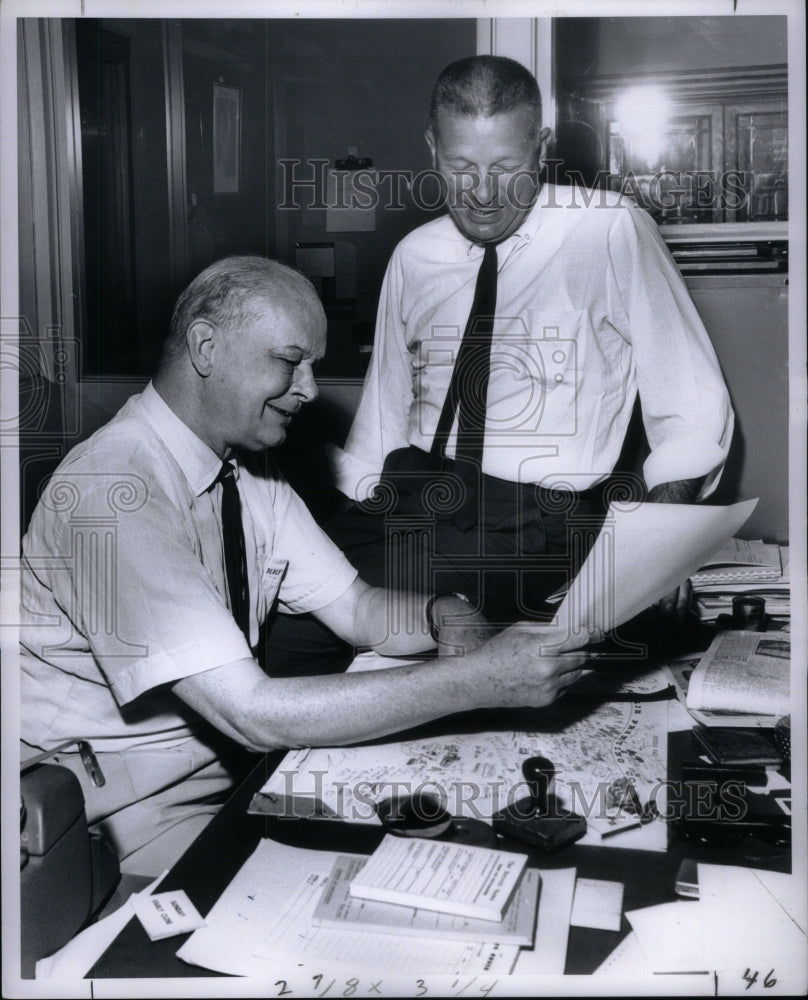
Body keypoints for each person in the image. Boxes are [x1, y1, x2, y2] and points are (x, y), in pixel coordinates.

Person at [19, 255, 586, 876]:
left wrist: (440, 613)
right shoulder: (115, 489)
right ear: (205, 347)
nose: (311, 389)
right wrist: (476, 681)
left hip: (230, 775)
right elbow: (252, 711)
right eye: (290, 362)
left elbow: (357, 609)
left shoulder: (245, 470)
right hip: (114, 815)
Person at [268, 55, 734, 675]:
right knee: (276, 619)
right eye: (461, 167)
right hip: (414, 498)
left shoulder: (610, 230)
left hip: (537, 523)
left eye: (506, 167)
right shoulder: (414, 255)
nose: (483, 194)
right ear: (432, 146)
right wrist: (341, 525)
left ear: (540, 147)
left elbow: (694, 403)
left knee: (310, 645)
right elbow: (383, 414)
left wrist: (659, 539)